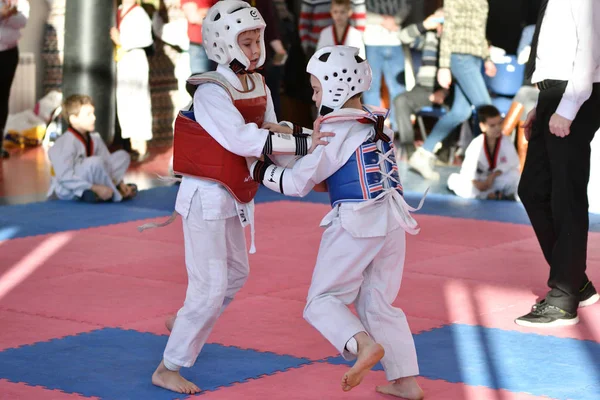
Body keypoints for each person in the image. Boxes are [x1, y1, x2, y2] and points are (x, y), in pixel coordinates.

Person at [149, 1, 331, 394]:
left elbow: (271, 133)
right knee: (211, 286)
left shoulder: (258, 84)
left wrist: (315, 147)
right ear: (221, 43)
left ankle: (185, 320)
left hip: (235, 193)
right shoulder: (211, 92)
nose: (252, 49)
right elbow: (243, 139)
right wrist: (303, 141)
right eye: (244, 41)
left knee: (236, 275)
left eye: (256, 40)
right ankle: (169, 366)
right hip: (205, 197)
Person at [248, 45, 425, 399]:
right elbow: (322, 154)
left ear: (336, 87)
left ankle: (364, 346)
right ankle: (406, 382)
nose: (314, 98)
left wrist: (258, 169)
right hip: (392, 219)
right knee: (377, 301)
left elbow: (301, 182)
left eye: (316, 90)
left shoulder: (336, 130)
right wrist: (284, 131)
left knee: (322, 300)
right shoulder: (370, 119)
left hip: (358, 220)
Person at [515, 0, 600, 327]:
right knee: (533, 190)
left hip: (574, 92)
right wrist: (546, 104)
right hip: (554, 93)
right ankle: (575, 281)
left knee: (567, 195)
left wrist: (568, 105)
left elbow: (589, 47)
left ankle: (564, 296)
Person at [408, 0, 496, 181]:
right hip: (460, 57)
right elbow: (448, 32)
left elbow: (479, 31)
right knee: (486, 109)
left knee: (460, 112)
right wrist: (444, 66)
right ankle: (482, 166)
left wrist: (487, 58)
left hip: (475, 58)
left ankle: (423, 154)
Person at [47, 95, 136, 203]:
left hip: (93, 178)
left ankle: (111, 188)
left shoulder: (94, 138)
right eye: (88, 115)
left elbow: (107, 163)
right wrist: (94, 187)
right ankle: (114, 193)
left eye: (93, 113)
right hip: (67, 189)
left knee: (123, 156)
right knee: (95, 162)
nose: (94, 118)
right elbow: (64, 177)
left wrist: (120, 182)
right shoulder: (65, 143)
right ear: (73, 119)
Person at [393, 8, 445, 158]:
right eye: (437, 20)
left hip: (446, 91)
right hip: (423, 89)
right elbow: (403, 37)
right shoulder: (430, 37)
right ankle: (409, 151)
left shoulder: (457, 41)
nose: (440, 24)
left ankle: (444, 152)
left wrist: (444, 91)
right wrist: (425, 25)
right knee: (400, 100)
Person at [111, 0, 154, 161]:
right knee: (124, 102)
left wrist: (121, 40)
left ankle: (141, 147)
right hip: (122, 60)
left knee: (138, 101)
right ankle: (129, 143)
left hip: (135, 58)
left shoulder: (139, 13)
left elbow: (146, 40)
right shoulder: (119, 10)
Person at [447, 105, 520, 200]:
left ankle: (494, 194)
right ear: (482, 126)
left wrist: (493, 176)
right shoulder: (476, 143)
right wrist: (476, 183)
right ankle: (488, 195)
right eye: (492, 125)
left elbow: (514, 163)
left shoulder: (506, 141)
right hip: (480, 182)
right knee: (453, 179)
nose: (497, 128)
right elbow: (467, 170)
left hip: (497, 181)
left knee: (515, 176)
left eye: (499, 123)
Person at [0, 0, 28, 160]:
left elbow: (23, 21)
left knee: (2, 99)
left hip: (9, 53)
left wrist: (8, 15)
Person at [180, 0, 217, 74]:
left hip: (217, 45)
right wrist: (215, 13)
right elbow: (193, 17)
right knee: (202, 81)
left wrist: (205, 12)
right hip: (199, 48)